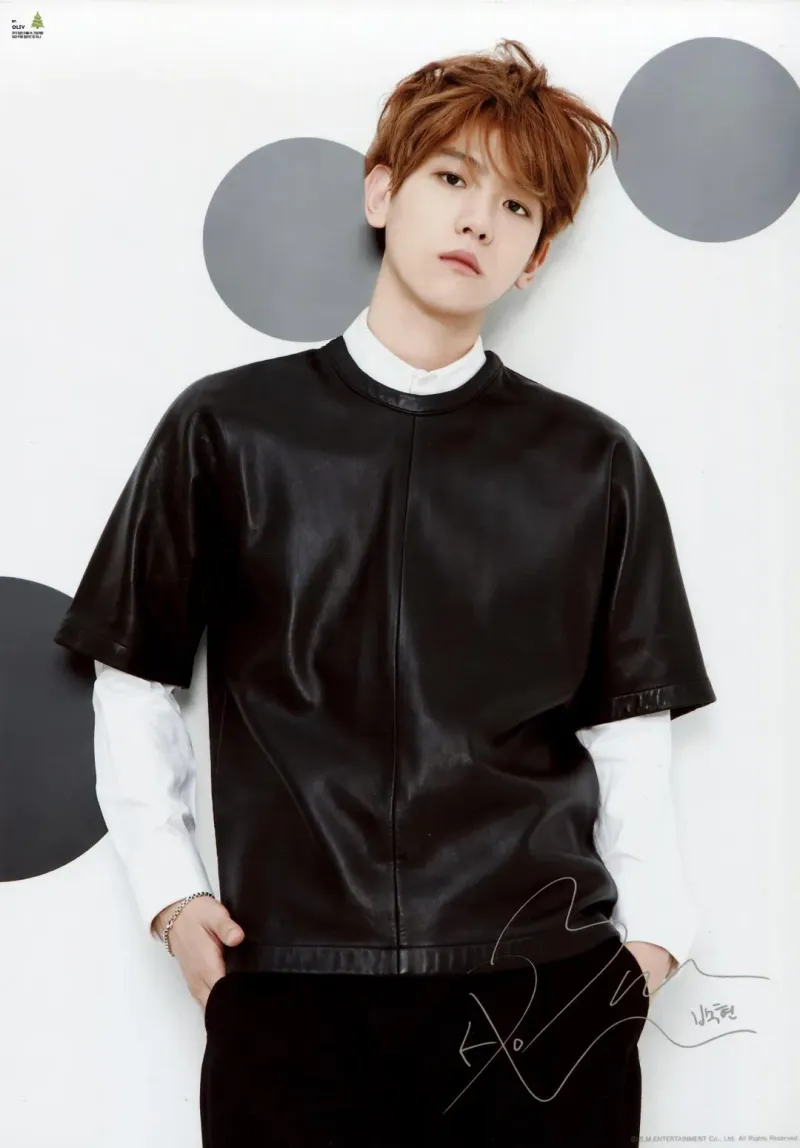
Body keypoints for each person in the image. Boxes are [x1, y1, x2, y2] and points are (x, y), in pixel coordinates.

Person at [53, 38, 715, 1148]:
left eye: (516, 206)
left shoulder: (588, 461)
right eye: (452, 178)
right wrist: (170, 895)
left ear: (535, 257)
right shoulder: (228, 427)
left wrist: (651, 942)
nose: (477, 220)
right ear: (380, 192)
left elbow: (628, 727)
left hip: (541, 987)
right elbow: (134, 672)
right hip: (293, 988)